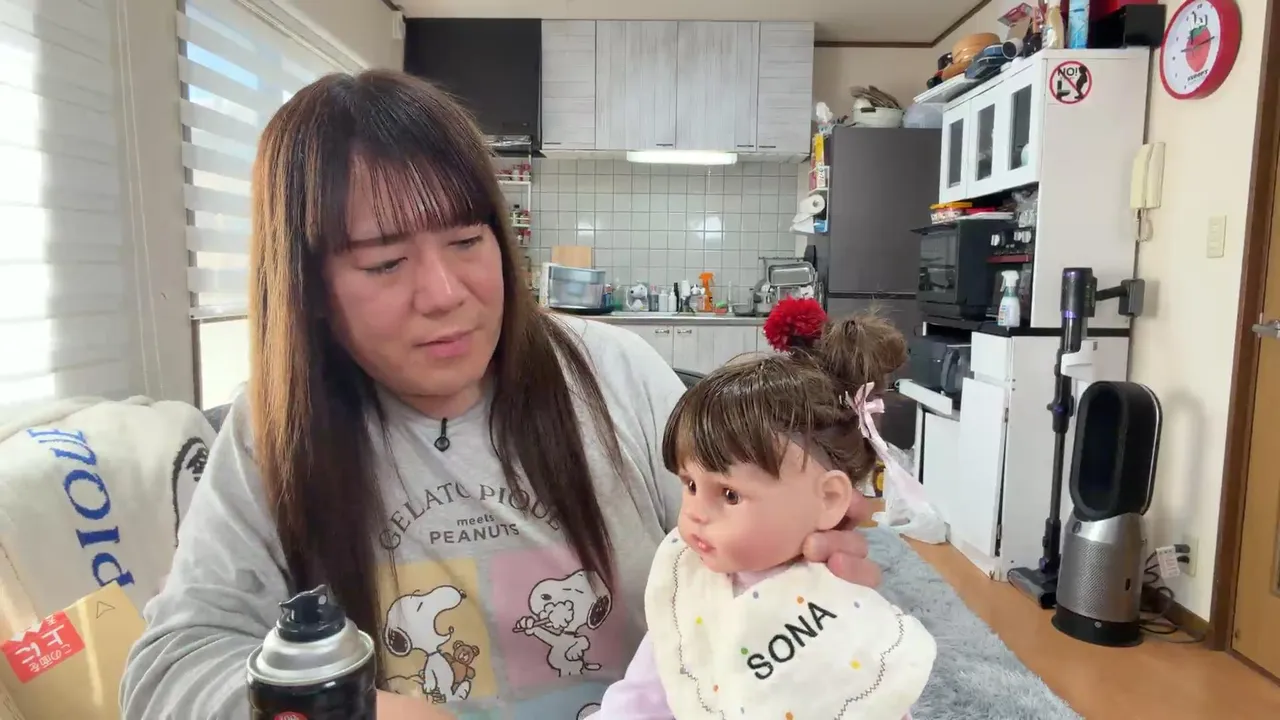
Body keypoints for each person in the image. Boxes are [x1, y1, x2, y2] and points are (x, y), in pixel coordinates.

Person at [119, 70, 880, 720]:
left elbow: (749, 568)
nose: (446, 293)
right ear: (309, 287)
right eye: (385, 263)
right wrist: (349, 709)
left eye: (465, 241)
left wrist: (799, 573)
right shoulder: (277, 431)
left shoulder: (616, 374)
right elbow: (168, 671)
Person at [592, 311, 936, 719]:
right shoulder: (690, 583)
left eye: (730, 495)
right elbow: (646, 690)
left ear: (828, 500)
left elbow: (870, 699)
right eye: (690, 485)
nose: (695, 514)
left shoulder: (834, 605)